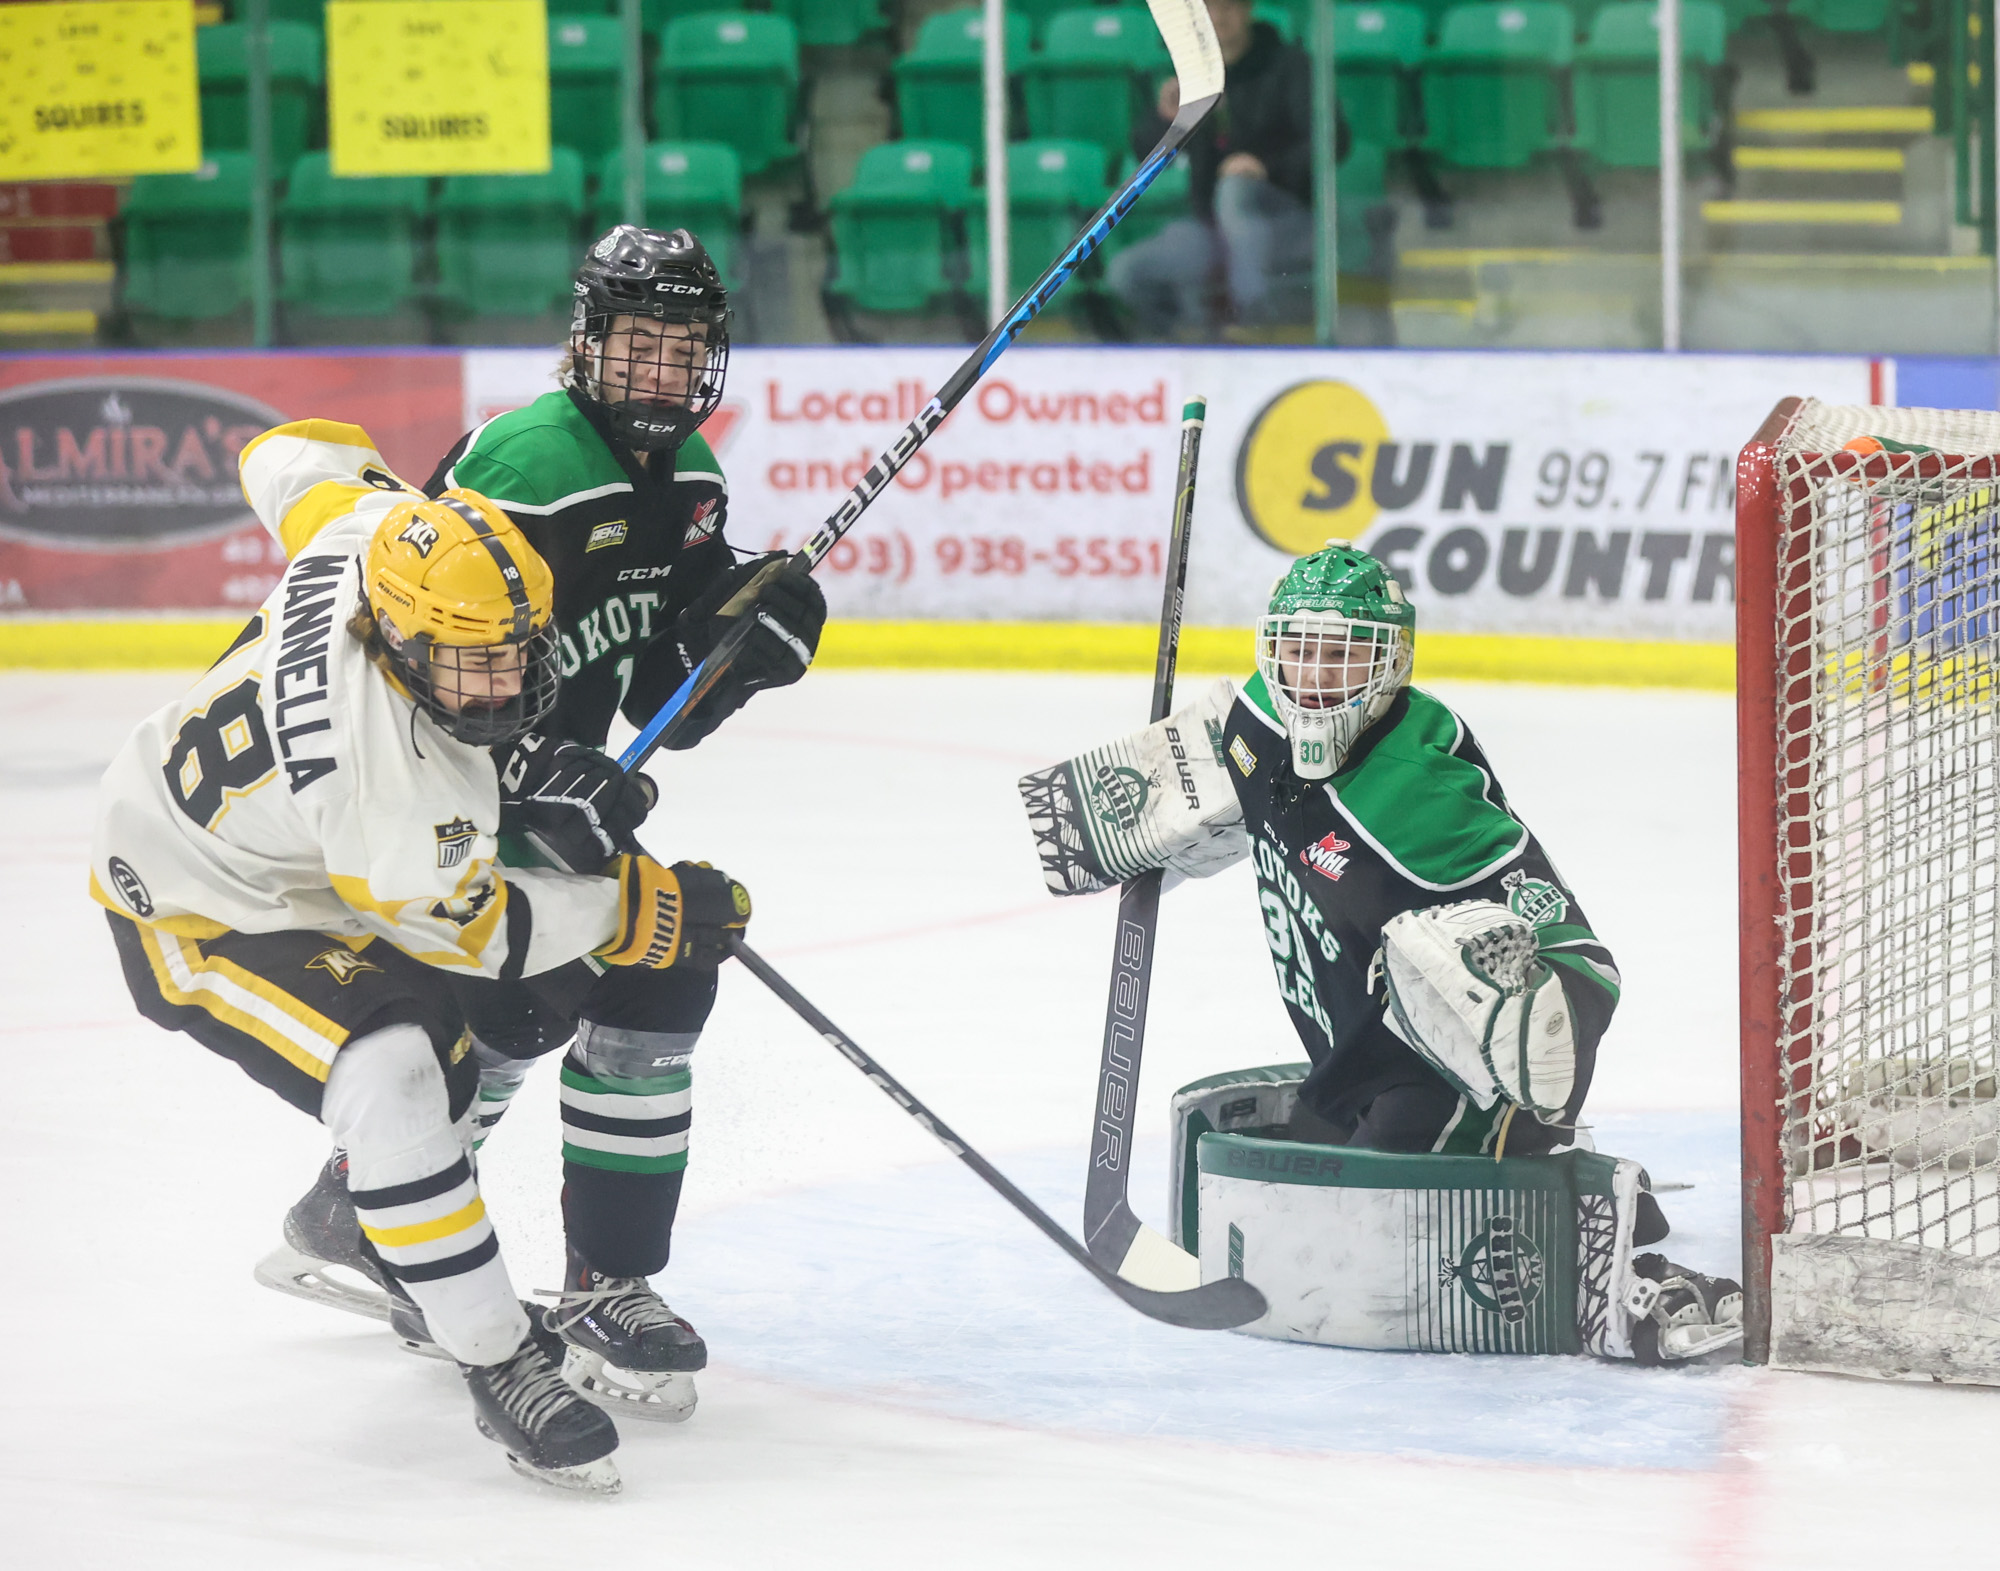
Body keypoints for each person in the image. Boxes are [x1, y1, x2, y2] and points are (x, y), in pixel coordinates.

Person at [93, 420, 753, 1491]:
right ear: (393, 638)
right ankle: (496, 1355)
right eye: (471, 662)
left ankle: (389, 1218)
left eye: (516, 649)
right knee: (394, 1065)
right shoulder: (387, 783)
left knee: (565, 1000)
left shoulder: (370, 537)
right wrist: (637, 902)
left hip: (315, 852)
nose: (501, 682)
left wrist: (397, 504)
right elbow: (486, 931)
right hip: (204, 901)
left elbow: (290, 452)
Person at [259, 225, 825, 1426]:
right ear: (588, 343)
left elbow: (662, 702)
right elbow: (418, 648)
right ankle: (372, 1203)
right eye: (636, 345)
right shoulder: (526, 462)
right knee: (534, 995)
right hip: (436, 806)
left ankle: (590, 1275)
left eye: (682, 350)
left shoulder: (686, 483)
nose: (659, 373)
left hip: (548, 807)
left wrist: (744, 645)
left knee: (655, 972)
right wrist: (535, 763)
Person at [1018, 541, 1742, 1363]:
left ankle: (1609, 1244)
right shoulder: (1257, 720)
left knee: (1374, 1254)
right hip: (1356, 1051)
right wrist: (1144, 811)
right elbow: (1223, 775)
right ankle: (1570, 1177)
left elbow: (1584, 961)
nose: (1314, 675)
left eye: (1342, 654)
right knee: (1307, 1196)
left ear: (1391, 662)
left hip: (1448, 1076)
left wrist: (1536, 1015)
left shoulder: (1417, 793)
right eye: (1297, 649)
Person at [1109, 0, 1346, 337]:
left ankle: (1250, 320)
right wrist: (1166, 119)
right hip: (1211, 230)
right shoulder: (1196, 74)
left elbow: (1333, 139)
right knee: (1127, 273)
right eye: (1209, 9)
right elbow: (1146, 154)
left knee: (1234, 190)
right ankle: (1180, 352)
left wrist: (1265, 169)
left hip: (1284, 219)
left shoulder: (1290, 66)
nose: (1218, 18)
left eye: (1229, 7)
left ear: (1248, 10)